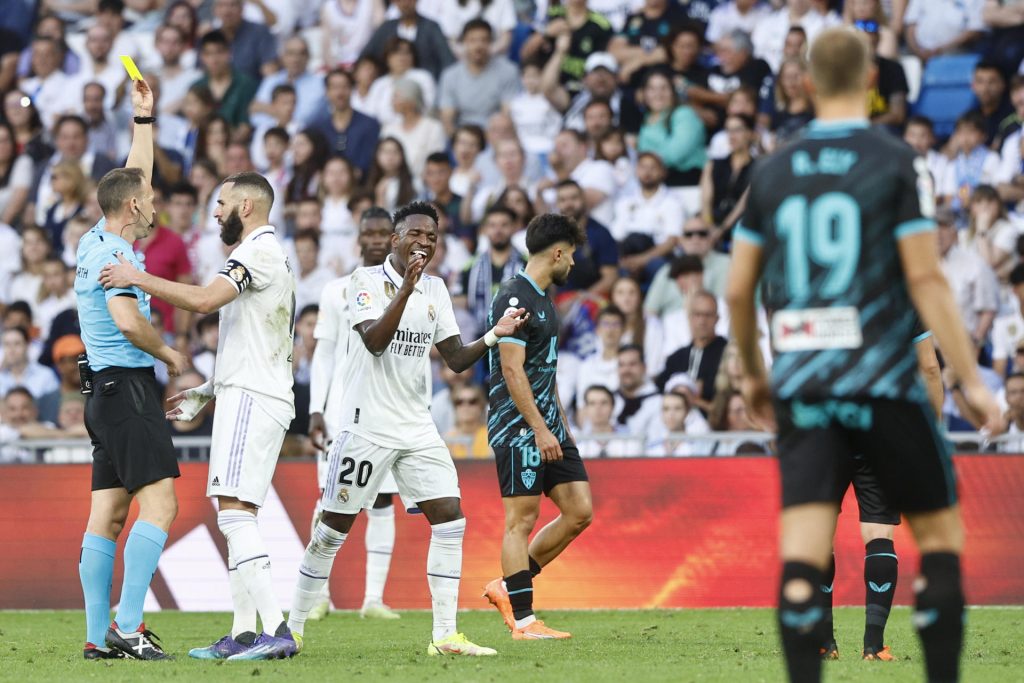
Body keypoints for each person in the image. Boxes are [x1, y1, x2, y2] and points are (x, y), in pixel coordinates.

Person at [727, 27, 1001, 683]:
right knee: (937, 543)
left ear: (807, 84)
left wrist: (752, 373)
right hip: (882, 381)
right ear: (873, 81)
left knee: (802, 552)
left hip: (806, 386)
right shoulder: (894, 160)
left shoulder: (771, 170)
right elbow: (928, 280)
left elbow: (739, 288)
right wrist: (971, 383)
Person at [287, 201, 526, 657]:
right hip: (365, 428)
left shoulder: (435, 290)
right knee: (332, 529)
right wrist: (405, 290)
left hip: (416, 427)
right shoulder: (363, 283)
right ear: (395, 239)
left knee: (451, 519)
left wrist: (495, 333)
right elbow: (374, 341)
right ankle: (292, 629)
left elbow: (455, 359)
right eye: (416, 233)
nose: (425, 242)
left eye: (432, 237)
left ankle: (445, 636)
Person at [99, 171, 299, 661]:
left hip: (254, 397)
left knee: (231, 511)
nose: (215, 212)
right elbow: (257, 340)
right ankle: (244, 633)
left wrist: (136, 277)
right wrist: (208, 391)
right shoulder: (261, 254)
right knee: (240, 512)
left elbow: (207, 301)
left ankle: (276, 628)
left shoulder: (257, 252)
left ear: (246, 207)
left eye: (221, 202)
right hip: (250, 391)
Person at [73, 77, 188, 661]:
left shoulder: (96, 239)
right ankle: (128, 626)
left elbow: (131, 174)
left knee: (110, 513)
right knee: (162, 504)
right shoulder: (118, 256)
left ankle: (98, 636)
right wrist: (168, 353)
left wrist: (143, 119)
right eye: (149, 197)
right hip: (127, 385)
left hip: (102, 393)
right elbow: (125, 318)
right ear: (134, 207)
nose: (155, 201)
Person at [481, 212, 590, 641]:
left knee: (579, 511)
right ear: (558, 252)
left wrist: (560, 426)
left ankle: (508, 585)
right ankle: (523, 621)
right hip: (518, 428)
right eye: (572, 256)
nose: (574, 265)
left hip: (549, 426)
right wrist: (540, 429)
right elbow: (512, 370)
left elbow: (545, 370)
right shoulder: (514, 297)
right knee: (520, 520)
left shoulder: (543, 298)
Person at [818, 326, 946, 662]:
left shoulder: (824, 289)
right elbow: (930, 368)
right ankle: (873, 646)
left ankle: (823, 643)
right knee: (879, 533)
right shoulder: (903, 298)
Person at [306, 206, 403, 622]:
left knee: (382, 500)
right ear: (359, 238)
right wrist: (315, 409)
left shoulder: (407, 290)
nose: (379, 239)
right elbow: (323, 354)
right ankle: (318, 594)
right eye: (372, 232)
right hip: (340, 412)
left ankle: (374, 599)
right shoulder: (336, 290)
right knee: (329, 501)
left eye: (386, 232)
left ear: (395, 238)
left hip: (387, 410)